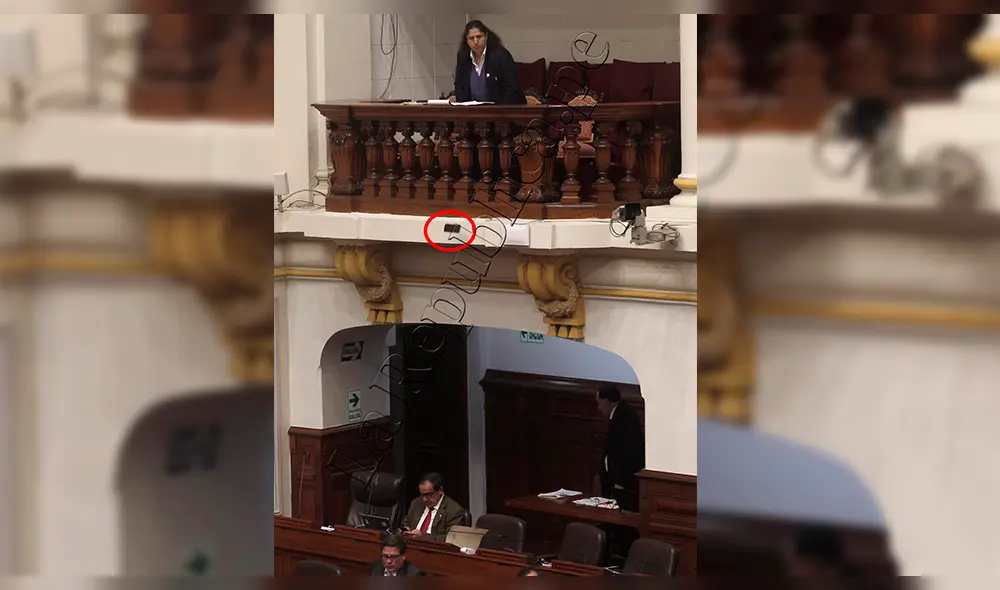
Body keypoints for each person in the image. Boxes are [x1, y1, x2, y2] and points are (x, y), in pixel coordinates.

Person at [451, 20, 526, 105]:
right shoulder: (463, 57)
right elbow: (460, 85)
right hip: (472, 112)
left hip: (502, 111)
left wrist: (501, 111)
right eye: (471, 38)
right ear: (466, 40)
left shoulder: (501, 55)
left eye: (479, 37)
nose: (475, 42)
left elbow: (511, 88)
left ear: (486, 36)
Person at [596, 385, 645, 507]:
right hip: (616, 479)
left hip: (623, 481)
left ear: (607, 401)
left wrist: (619, 481)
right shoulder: (622, 413)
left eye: (599, 403)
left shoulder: (624, 417)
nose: (599, 408)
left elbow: (625, 452)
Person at [401, 472, 467, 542]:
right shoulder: (416, 504)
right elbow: (405, 525)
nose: (424, 499)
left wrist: (423, 537)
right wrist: (402, 531)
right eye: (422, 494)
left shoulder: (454, 511)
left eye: (429, 494)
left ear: (440, 490)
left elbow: (452, 539)